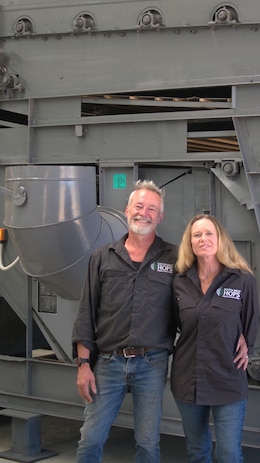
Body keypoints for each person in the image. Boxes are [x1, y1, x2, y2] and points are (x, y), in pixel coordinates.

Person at [71, 179, 177, 463]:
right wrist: (83, 365)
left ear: (160, 217)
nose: (144, 213)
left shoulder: (175, 258)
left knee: (148, 444)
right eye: (139, 206)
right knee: (90, 440)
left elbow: (193, 306)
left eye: (152, 209)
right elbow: (86, 312)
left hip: (152, 363)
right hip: (108, 363)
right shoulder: (102, 257)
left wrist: (237, 332)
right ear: (127, 210)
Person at [171, 214, 259, 463]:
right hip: (188, 379)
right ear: (190, 242)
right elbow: (178, 323)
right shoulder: (179, 282)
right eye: (197, 235)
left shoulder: (242, 280)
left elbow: (250, 321)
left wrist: (246, 342)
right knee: (197, 452)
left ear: (220, 239)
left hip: (227, 377)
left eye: (209, 233)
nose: (203, 239)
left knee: (228, 454)